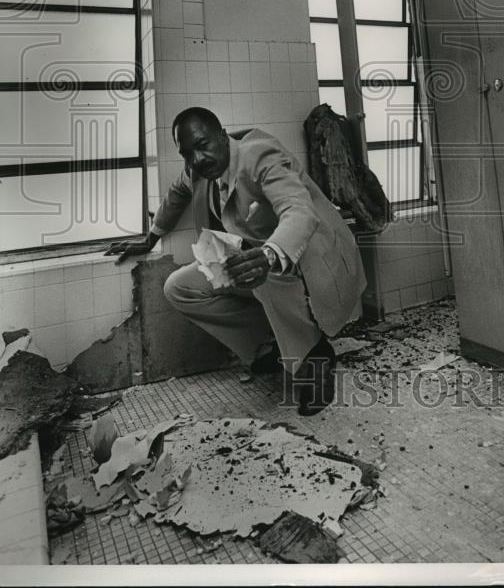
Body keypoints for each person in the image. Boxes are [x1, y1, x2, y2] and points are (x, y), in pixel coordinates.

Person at [106, 106, 366, 415]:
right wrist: (150, 239)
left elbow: (298, 210)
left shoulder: (260, 155)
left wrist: (268, 255)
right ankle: (271, 345)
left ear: (222, 135)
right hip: (256, 254)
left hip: (309, 252)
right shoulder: (198, 170)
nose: (197, 159)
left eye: (203, 145)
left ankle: (314, 356)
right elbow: (176, 195)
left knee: (264, 277)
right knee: (178, 287)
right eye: (187, 154)